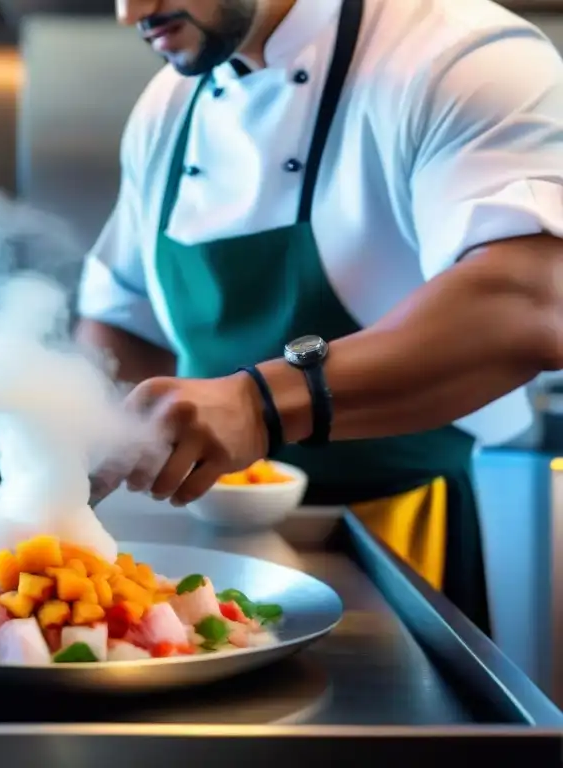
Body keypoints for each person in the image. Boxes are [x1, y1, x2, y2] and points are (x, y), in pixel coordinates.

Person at [77, 0, 563, 634]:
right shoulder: (169, 105)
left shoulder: (463, 54)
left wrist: (260, 406)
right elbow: (120, 320)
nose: (130, 12)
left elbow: (529, 302)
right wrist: (83, 436)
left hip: (417, 541)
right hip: (214, 560)